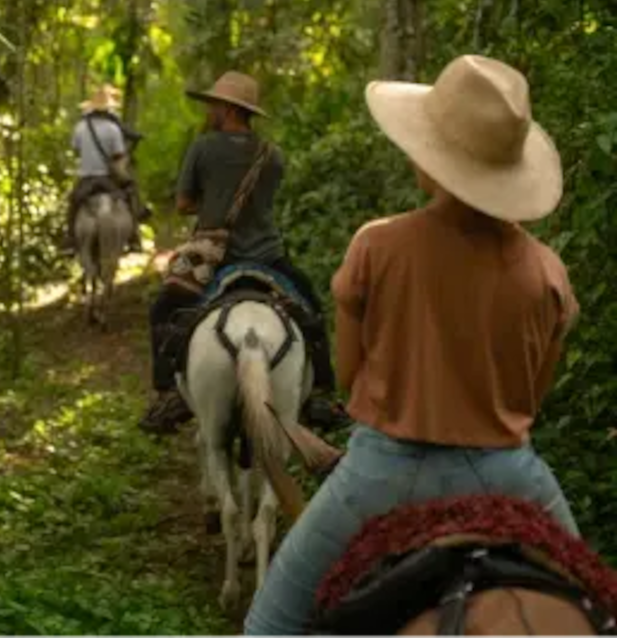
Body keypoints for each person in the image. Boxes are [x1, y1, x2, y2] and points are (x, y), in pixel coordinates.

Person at [243, 54, 580, 637]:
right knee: (591, 596)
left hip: (383, 472)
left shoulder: (377, 247)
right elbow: (533, 395)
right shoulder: (548, 273)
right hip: (510, 476)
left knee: (268, 628)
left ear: (433, 162)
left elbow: (350, 375)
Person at [140, 71, 338, 435]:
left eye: (215, 104)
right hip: (267, 256)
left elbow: (184, 203)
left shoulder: (202, 148)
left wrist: (211, 203)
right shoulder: (272, 155)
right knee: (312, 308)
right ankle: (319, 395)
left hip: (216, 261)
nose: (211, 110)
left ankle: (167, 394)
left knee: (163, 310)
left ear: (227, 109)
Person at [61, 84, 150, 254]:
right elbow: (118, 155)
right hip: (107, 180)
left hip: (85, 178)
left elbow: (76, 150)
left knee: (73, 202)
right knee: (130, 193)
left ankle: (70, 238)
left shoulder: (80, 127)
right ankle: (134, 237)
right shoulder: (113, 128)